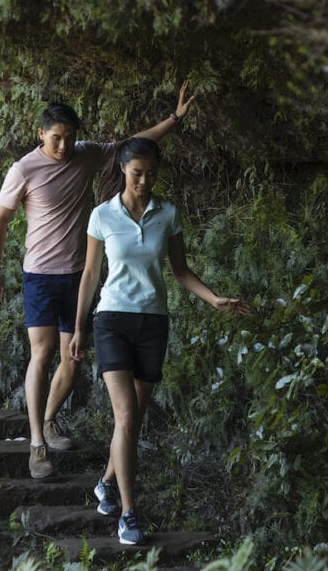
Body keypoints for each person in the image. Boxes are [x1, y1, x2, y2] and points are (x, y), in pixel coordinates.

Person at [0, 86, 194, 480]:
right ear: (40, 134)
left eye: (68, 138)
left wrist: (176, 118)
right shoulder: (23, 170)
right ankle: (36, 443)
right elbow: (0, 222)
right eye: (55, 138)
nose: (62, 146)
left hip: (79, 274)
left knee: (72, 358)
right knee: (43, 352)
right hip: (40, 275)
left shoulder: (86, 154)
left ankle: (48, 419)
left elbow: (135, 147)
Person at [70, 137, 250, 545]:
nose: (145, 181)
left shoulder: (167, 213)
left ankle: (106, 482)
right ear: (121, 170)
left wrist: (213, 298)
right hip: (111, 320)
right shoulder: (102, 216)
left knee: (132, 421)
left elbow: (181, 270)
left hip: (153, 322)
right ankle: (129, 514)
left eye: (151, 174)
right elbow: (90, 275)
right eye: (137, 174)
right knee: (127, 416)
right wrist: (79, 327)